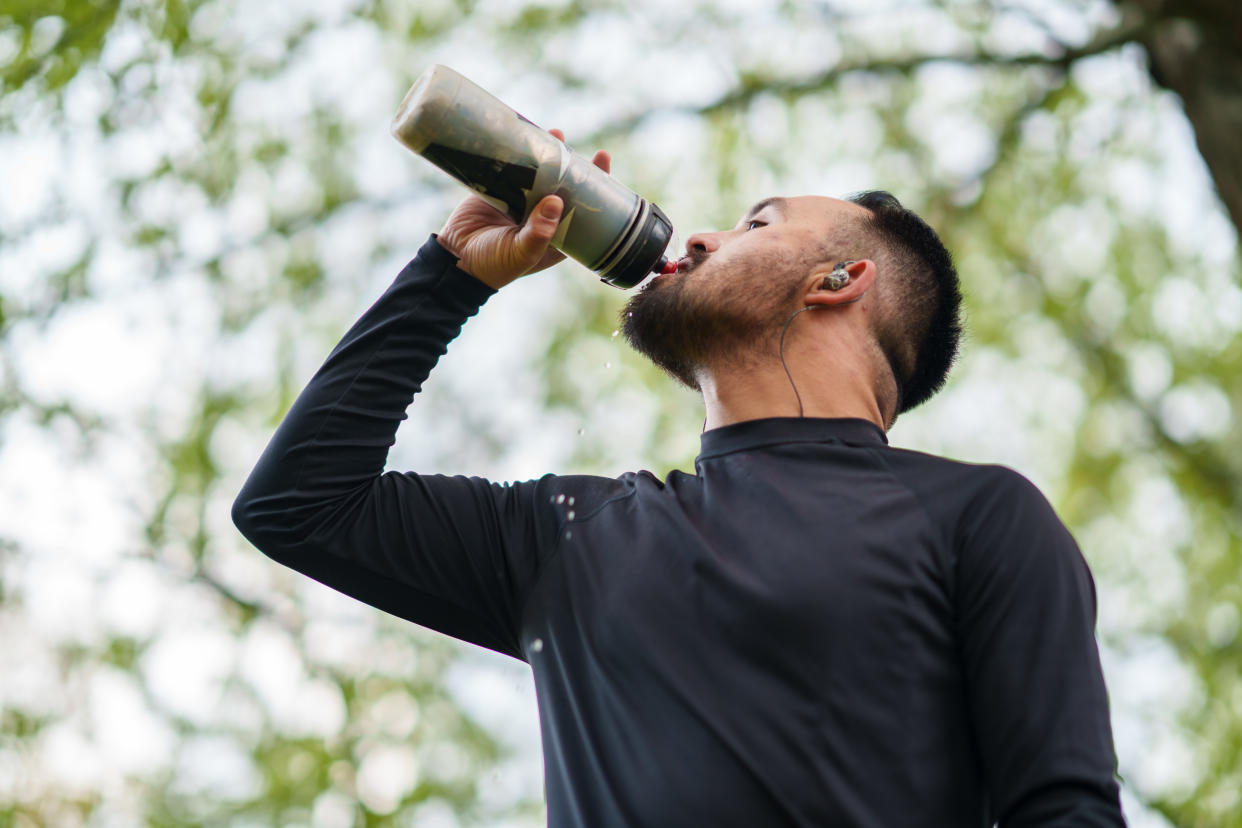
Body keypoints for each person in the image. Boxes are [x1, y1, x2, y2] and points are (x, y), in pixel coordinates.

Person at [233, 135, 1126, 827]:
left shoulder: (976, 518)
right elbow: (299, 504)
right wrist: (449, 278)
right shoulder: (575, 533)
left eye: (758, 223)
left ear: (841, 279)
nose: (699, 236)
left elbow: (1067, 812)